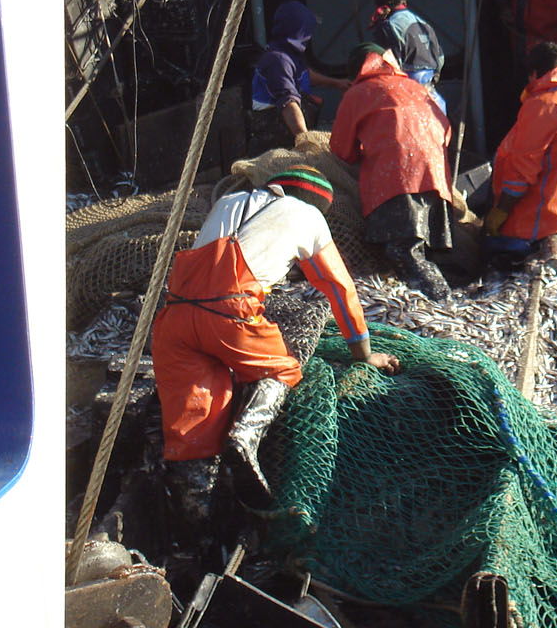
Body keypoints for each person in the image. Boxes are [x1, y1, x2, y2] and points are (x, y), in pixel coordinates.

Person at [151, 165, 398, 522]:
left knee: (194, 427)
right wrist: (364, 353)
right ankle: (246, 438)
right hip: (230, 314)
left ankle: (196, 529)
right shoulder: (309, 216)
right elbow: (339, 289)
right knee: (281, 368)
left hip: (174, 317)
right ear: (316, 202)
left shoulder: (230, 199)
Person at [330, 44, 455, 302]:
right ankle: (432, 299)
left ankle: (443, 304)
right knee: (420, 251)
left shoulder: (358, 93)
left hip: (398, 181)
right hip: (437, 180)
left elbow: (341, 150)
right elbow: (446, 130)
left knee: (404, 252)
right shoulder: (417, 88)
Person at [483, 42, 557, 268]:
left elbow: (522, 170)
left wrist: (501, 211)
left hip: (533, 226)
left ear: (534, 73)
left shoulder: (543, 106)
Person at [251, 0, 351, 142]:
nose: (310, 37)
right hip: (275, 141)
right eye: (307, 31)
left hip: (291, 137)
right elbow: (288, 103)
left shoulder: (290, 55)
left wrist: (336, 83)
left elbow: (304, 75)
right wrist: (307, 142)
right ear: (298, 31)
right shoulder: (277, 61)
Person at [367, 0, 446, 111]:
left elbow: (387, 69)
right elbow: (440, 59)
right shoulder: (424, 24)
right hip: (435, 103)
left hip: (407, 104)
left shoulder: (388, 27)